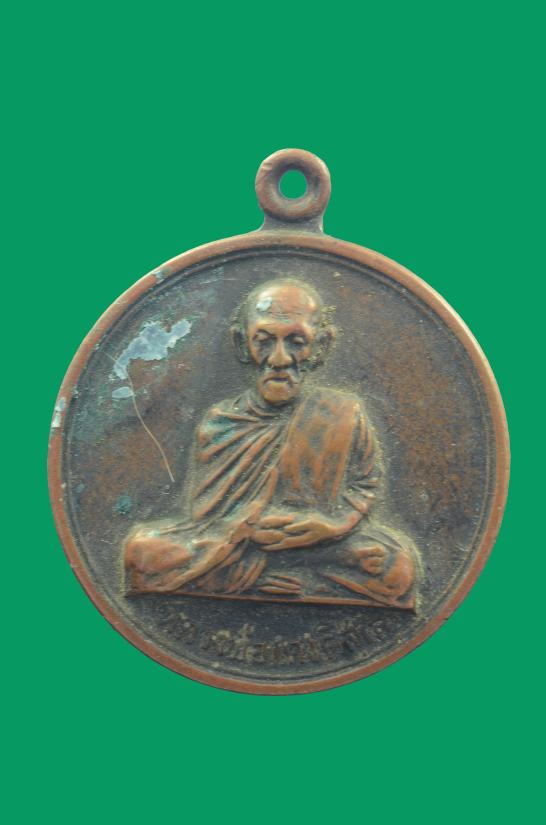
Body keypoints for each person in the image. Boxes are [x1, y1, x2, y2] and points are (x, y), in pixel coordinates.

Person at [124, 278, 419, 609]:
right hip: (237, 547)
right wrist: (250, 536)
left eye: (296, 342)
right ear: (242, 344)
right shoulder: (221, 420)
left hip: (320, 546)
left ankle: (256, 576)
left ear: (321, 346)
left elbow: (365, 485)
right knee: (143, 554)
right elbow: (205, 521)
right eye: (264, 341)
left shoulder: (343, 412)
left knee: (397, 567)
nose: (279, 359)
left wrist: (333, 525)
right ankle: (257, 577)